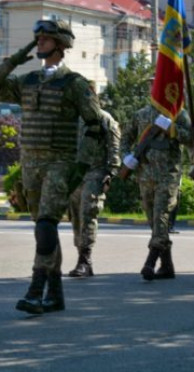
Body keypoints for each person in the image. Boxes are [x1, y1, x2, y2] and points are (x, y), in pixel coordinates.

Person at [0, 19, 102, 314]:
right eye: (37, 37)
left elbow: (95, 126)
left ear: (60, 44)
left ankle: (35, 289)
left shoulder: (75, 84)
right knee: (43, 228)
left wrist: (81, 167)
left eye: (44, 38)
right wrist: (18, 56)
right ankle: (55, 294)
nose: (39, 41)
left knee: (46, 225)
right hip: (30, 164)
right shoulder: (28, 81)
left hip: (60, 162)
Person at [121, 78, 191, 280]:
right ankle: (167, 266)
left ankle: (150, 261)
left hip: (168, 174)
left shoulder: (178, 114)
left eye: (159, 84)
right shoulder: (141, 114)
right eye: (153, 85)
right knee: (154, 220)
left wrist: (172, 129)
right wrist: (126, 156)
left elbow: (191, 139)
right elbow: (126, 138)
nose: (155, 87)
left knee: (161, 216)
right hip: (145, 175)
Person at [68, 84, 121, 277]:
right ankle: (80, 256)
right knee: (75, 216)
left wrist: (111, 172)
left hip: (96, 172)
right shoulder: (74, 118)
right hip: (75, 174)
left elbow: (114, 146)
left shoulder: (104, 118)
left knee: (87, 212)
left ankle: (85, 259)